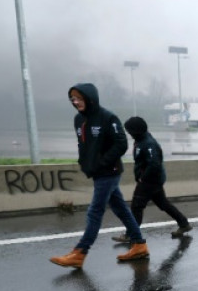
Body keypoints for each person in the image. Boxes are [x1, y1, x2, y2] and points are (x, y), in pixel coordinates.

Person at [50, 83, 149, 268]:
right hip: (97, 173)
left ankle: (80, 252)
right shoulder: (78, 119)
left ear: (90, 98)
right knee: (121, 209)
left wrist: (102, 162)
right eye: (72, 99)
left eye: (79, 98)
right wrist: (84, 162)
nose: (75, 102)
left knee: (95, 211)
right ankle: (139, 245)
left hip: (110, 172)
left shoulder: (108, 117)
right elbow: (82, 144)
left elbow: (121, 144)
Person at [112, 116, 192, 242]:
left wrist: (143, 178)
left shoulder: (148, 143)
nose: (128, 133)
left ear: (136, 130)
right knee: (164, 204)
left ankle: (131, 234)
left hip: (150, 181)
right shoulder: (140, 140)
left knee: (136, 207)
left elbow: (154, 164)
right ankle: (184, 224)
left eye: (129, 130)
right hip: (153, 180)